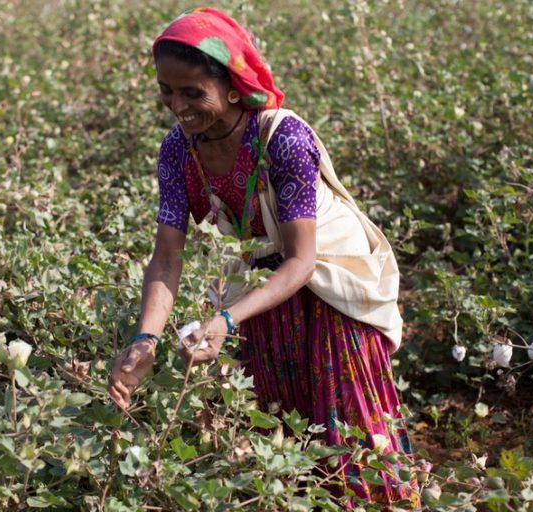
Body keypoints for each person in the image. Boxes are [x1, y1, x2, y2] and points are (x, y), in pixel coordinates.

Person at [108, 7, 419, 506]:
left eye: (193, 92)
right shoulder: (177, 152)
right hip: (260, 288)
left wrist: (225, 320)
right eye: (167, 90)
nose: (177, 106)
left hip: (328, 282)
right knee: (278, 435)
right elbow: (167, 257)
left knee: (352, 434)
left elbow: (300, 261)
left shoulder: (282, 138)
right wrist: (145, 339)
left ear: (233, 87)